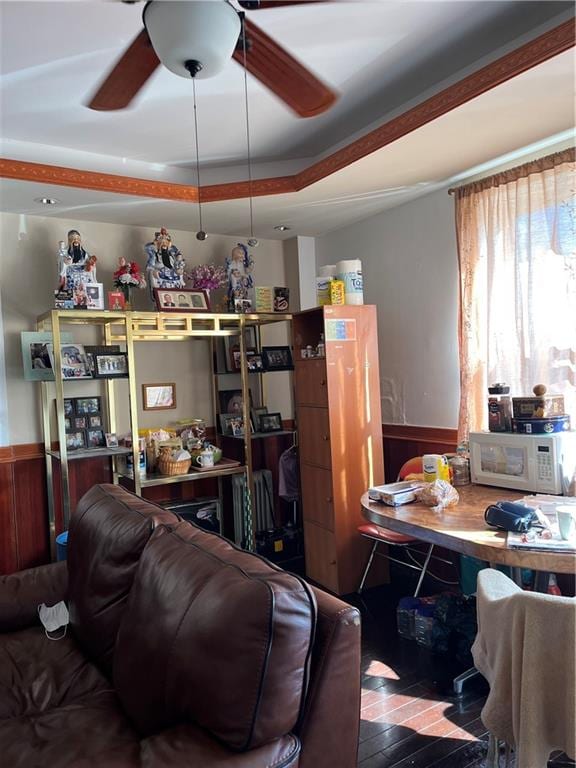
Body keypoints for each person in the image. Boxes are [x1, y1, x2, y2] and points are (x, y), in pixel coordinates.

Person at [145, 228, 186, 299]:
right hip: (160, 276)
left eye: (165, 243)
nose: (164, 245)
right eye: (162, 243)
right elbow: (150, 268)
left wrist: (179, 271)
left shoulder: (172, 256)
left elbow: (177, 264)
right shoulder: (155, 255)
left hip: (172, 276)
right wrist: (153, 271)